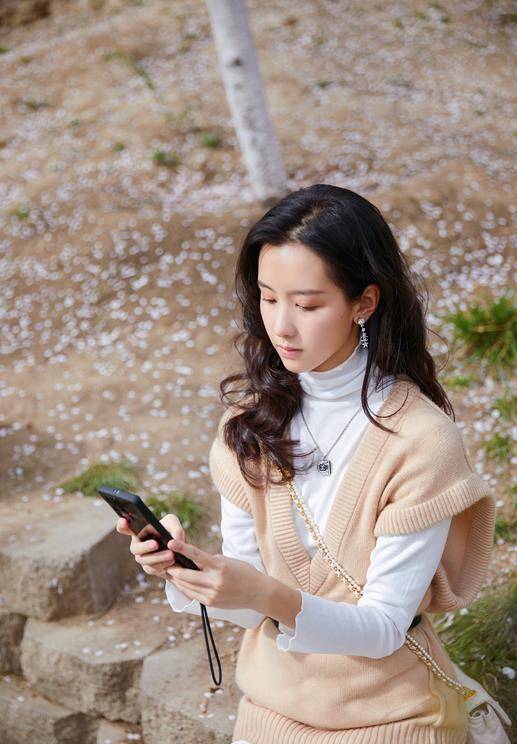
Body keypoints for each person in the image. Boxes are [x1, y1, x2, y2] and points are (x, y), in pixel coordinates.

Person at [117, 185, 495, 743]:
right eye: (269, 298)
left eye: (308, 304)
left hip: (393, 716)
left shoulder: (420, 442)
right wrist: (184, 570)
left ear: (364, 303)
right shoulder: (248, 427)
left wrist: (266, 595)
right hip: (273, 709)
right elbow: (251, 611)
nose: (281, 326)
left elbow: (384, 628)